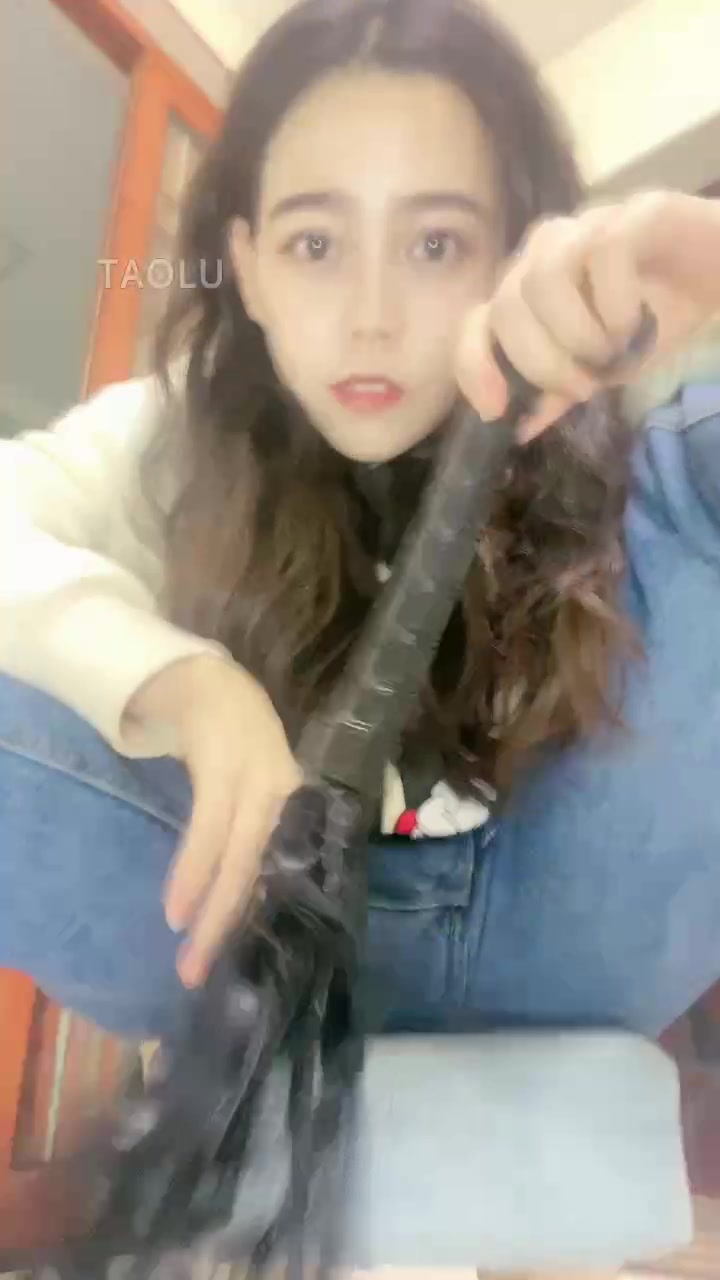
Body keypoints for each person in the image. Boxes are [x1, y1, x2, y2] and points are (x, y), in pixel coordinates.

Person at [3, 0, 720, 1045]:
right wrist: (182, 684)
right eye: (315, 243)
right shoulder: (171, 436)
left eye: (434, 243)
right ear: (248, 267)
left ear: (507, 256)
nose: (371, 316)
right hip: (254, 939)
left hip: (584, 942)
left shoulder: (629, 437)